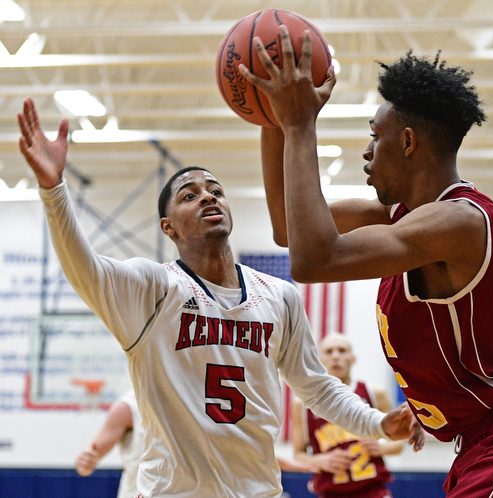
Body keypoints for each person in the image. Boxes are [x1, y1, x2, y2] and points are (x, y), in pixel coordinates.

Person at [241, 26, 493, 497]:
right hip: (482, 446)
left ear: (407, 143)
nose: (366, 152)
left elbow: (314, 261)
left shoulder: (461, 220)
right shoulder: (399, 217)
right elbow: (289, 227)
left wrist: (302, 124)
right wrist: (273, 115)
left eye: (374, 136)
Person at [17, 97, 421, 498]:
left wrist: (378, 424)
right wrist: (53, 190)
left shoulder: (278, 296)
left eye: (215, 190)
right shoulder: (153, 289)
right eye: (189, 196)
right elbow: (83, 267)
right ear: (168, 227)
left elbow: (316, 387)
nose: (208, 197)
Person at [292, 333, 421, 498]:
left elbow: (398, 444)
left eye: (342, 350)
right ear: (320, 359)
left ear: (353, 358)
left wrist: (382, 447)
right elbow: (298, 454)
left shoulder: (374, 393)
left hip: (373, 490)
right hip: (330, 491)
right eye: (329, 351)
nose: (336, 356)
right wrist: (320, 461)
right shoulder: (302, 404)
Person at [76, 390, 144, 498]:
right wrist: (86, 459)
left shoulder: (178, 400)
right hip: (137, 493)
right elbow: (87, 463)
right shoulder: (128, 406)